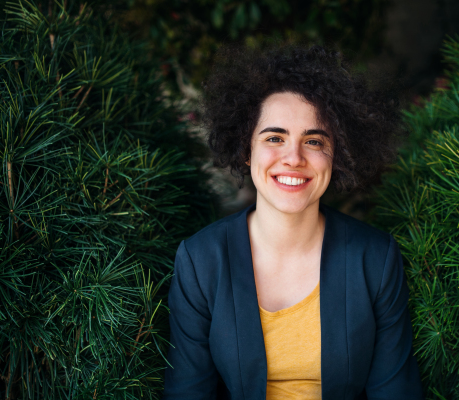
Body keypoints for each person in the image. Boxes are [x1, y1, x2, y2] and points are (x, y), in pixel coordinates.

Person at [162, 45, 424, 400]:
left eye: (313, 141)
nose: (294, 158)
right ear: (245, 149)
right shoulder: (201, 260)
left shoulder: (375, 259)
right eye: (274, 138)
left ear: (337, 154)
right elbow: (187, 392)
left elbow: (395, 393)